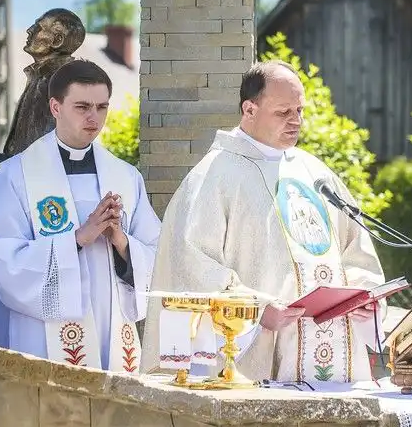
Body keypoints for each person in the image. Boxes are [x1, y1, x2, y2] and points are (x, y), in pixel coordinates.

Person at [142, 60, 387, 384]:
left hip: (334, 359)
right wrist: (253, 313)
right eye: (283, 112)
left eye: (299, 111)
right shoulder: (215, 176)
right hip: (255, 358)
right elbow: (192, 264)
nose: (296, 121)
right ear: (249, 109)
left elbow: (355, 247)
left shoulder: (315, 173)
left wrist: (364, 298)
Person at [0, 59, 160, 373]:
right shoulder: (15, 175)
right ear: (55, 107)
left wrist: (121, 242)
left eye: (102, 107)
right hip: (43, 335)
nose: (94, 117)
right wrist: (76, 239)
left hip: (110, 326)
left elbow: (156, 253)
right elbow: (0, 254)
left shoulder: (126, 177)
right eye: (82, 106)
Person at [3, 8, 87, 156]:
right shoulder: (41, 77)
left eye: (38, 27)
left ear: (57, 40)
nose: (29, 30)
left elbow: (35, 156)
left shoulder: (54, 83)